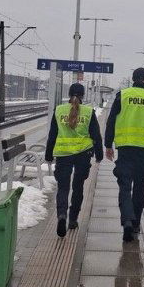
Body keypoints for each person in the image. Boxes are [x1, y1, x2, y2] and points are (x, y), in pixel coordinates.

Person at [104, 67, 144, 242]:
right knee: (140, 186)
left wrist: (108, 145)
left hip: (124, 148)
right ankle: (136, 223)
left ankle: (126, 221)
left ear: (133, 79)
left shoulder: (123, 95)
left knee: (125, 186)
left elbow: (111, 120)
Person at [45, 83, 103, 237]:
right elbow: (96, 135)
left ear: (69, 94)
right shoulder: (89, 112)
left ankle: (61, 215)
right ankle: (73, 219)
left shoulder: (59, 110)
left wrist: (48, 155)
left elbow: (52, 135)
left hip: (63, 155)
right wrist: (99, 154)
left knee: (63, 187)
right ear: (83, 95)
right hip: (83, 155)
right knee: (78, 187)